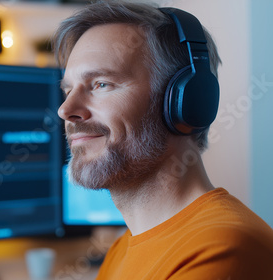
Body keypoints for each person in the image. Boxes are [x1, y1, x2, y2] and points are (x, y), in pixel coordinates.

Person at [52, 1, 273, 279]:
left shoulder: (222, 249)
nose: (66, 110)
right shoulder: (122, 248)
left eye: (101, 84)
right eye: (68, 89)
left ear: (185, 101)